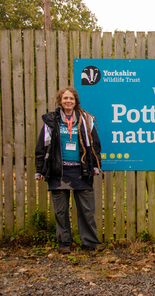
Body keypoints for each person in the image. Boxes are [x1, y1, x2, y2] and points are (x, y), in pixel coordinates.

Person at [35, 87, 105, 254]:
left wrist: (95, 165)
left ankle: (90, 242)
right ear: (60, 100)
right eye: (65, 98)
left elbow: (95, 145)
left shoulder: (85, 119)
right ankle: (64, 243)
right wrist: (40, 169)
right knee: (61, 211)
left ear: (75, 101)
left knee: (87, 210)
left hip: (82, 171)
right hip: (59, 172)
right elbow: (42, 146)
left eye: (71, 99)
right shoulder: (51, 120)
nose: (68, 101)